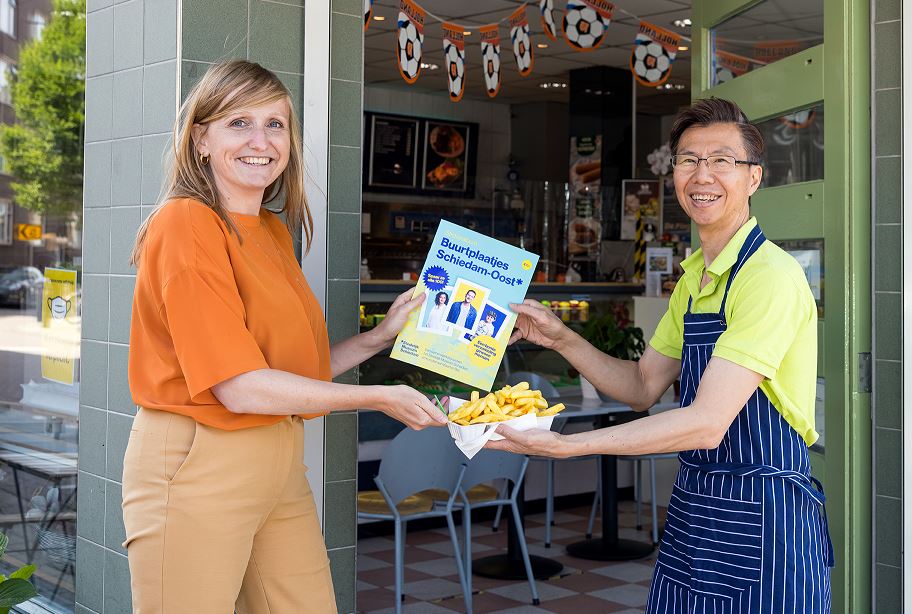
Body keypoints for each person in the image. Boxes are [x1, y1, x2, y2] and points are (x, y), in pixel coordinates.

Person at [123, 60, 446, 614]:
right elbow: (239, 387)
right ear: (201, 139)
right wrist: (377, 397)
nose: (262, 141)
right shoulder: (185, 224)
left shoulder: (271, 229)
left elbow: (288, 374)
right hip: (198, 459)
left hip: (278, 460)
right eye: (238, 123)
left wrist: (379, 339)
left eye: (275, 124)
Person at [488, 98, 833, 612]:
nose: (703, 175)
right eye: (689, 160)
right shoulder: (692, 278)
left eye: (722, 160)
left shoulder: (770, 278)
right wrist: (561, 338)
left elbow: (707, 423)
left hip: (764, 519)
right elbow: (641, 386)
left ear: (754, 178)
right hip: (696, 508)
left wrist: (567, 448)